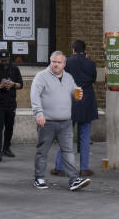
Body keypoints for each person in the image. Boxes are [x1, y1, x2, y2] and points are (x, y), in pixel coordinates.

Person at [31, 51, 91, 192]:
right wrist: (38, 113)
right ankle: (39, 178)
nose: (56, 64)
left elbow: (74, 93)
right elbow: (35, 96)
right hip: (47, 121)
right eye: (53, 61)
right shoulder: (41, 77)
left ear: (64, 64)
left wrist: (78, 96)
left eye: (59, 62)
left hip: (65, 122)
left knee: (68, 151)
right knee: (42, 151)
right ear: (50, 62)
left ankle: (74, 180)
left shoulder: (69, 77)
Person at [54, 40, 97, 177]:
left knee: (65, 137)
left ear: (73, 50)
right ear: (85, 51)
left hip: (70, 103)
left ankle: (60, 167)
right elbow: (93, 79)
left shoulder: (66, 63)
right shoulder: (91, 63)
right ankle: (84, 167)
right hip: (87, 103)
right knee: (85, 137)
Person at [0, 48, 22, 162]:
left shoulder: (14, 68)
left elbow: (20, 85)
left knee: (9, 126)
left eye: (6, 60)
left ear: (9, 58)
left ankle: (6, 148)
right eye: (2, 60)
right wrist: (0, 86)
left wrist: (13, 84)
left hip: (11, 102)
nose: (4, 62)